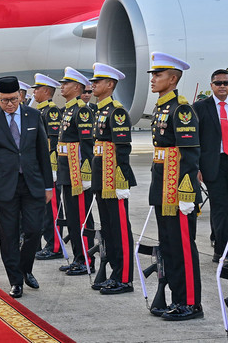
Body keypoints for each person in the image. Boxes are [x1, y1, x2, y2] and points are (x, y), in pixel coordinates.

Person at [0, 76, 53, 298]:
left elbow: (42, 153)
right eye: (3, 100)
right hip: (4, 186)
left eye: (12, 99)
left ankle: (25, 268)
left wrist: (48, 185)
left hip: (32, 183)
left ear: (21, 96)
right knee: (8, 234)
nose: (9, 104)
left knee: (33, 230)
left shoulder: (34, 115)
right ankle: (15, 280)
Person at [147, 52, 202, 320]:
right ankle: (176, 299)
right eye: (153, 75)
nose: (153, 79)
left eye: (158, 75)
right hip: (162, 185)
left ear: (173, 78)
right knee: (168, 245)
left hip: (177, 189)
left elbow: (189, 154)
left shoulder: (181, 110)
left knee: (182, 246)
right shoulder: (162, 107)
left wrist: (187, 190)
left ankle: (190, 303)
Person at [89, 63, 136, 294]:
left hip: (113, 179)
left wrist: (121, 180)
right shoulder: (101, 110)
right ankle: (114, 272)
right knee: (107, 227)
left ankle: (124, 277)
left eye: (98, 81)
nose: (93, 84)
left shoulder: (116, 112)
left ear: (110, 85)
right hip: (101, 177)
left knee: (119, 228)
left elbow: (122, 148)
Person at [56, 67, 95, 276]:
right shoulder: (68, 110)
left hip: (78, 175)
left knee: (81, 217)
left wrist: (86, 174)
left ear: (77, 88)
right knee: (72, 218)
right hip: (66, 171)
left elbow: (87, 145)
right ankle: (78, 257)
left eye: (66, 83)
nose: (62, 86)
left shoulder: (83, 110)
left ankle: (86, 258)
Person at [193, 69, 228, 263]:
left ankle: (218, 238)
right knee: (220, 206)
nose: (223, 86)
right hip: (213, 164)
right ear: (212, 85)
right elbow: (194, 139)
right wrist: (196, 166)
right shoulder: (201, 107)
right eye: (218, 83)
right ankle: (222, 252)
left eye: (226, 83)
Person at [31, 73, 64, 261]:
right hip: (39, 167)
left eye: (37, 89)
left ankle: (55, 246)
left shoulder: (51, 111)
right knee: (43, 210)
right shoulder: (40, 111)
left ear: (46, 91)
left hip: (49, 168)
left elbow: (53, 141)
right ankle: (48, 242)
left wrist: (51, 166)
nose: (34, 92)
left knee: (51, 208)